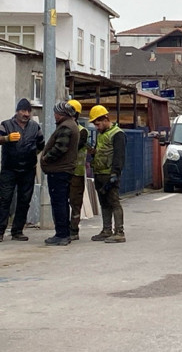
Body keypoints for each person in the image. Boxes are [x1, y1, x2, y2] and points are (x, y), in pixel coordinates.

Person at [0, 98, 45, 242]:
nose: (26, 114)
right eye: (23, 111)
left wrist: (33, 155)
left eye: (28, 111)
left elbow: (41, 144)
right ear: (17, 111)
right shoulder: (6, 125)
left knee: (24, 200)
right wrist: (6, 138)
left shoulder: (35, 127)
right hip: (9, 168)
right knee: (4, 199)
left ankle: (17, 231)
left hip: (28, 169)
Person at [40, 102, 80, 246]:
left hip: (59, 171)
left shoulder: (66, 127)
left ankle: (62, 234)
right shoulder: (71, 124)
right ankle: (64, 233)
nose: (54, 115)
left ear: (61, 114)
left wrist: (46, 158)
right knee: (62, 201)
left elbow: (60, 148)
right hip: (63, 170)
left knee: (59, 203)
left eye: (56, 113)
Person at [88, 105, 126, 243]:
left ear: (105, 119)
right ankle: (106, 230)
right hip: (99, 173)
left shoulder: (118, 134)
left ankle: (119, 232)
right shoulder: (102, 134)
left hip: (110, 174)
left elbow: (119, 156)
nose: (97, 127)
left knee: (114, 202)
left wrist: (115, 173)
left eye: (97, 124)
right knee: (104, 203)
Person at [67, 99, 89, 240]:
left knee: (75, 203)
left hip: (76, 173)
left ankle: (73, 230)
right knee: (64, 202)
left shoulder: (82, 132)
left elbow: (71, 149)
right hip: (65, 172)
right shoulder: (63, 129)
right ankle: (64, 229)